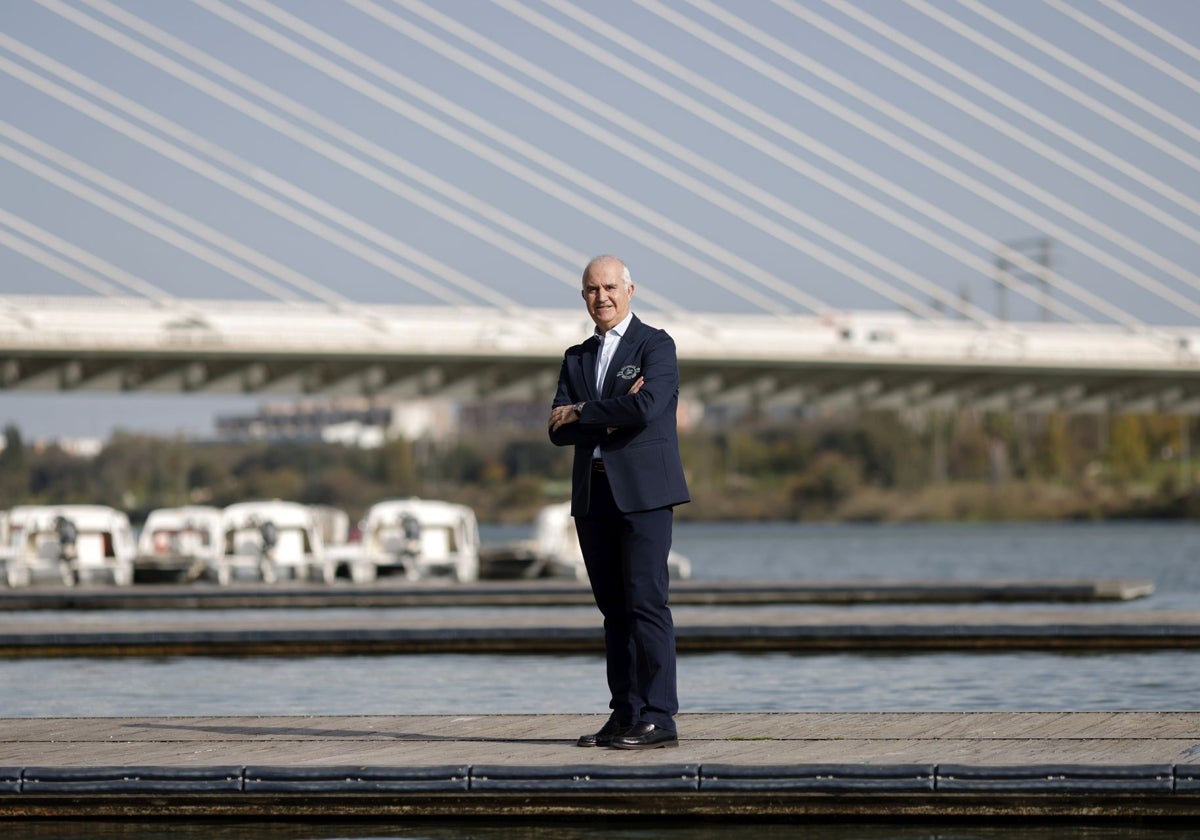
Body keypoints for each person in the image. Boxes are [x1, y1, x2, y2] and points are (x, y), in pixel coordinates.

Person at [548, 255, 690, 750]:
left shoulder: (656, 345)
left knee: (647, 604)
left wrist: (584, 410)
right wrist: (612, 412)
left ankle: (659, 719)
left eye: (609, 287)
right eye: (591, 290)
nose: (601, 297)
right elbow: (556, 431)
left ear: (630, 290)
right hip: (594, 494)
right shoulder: (576, 357)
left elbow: (648, 408)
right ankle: (625, 713)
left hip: (645, 495)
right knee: (613, 611)